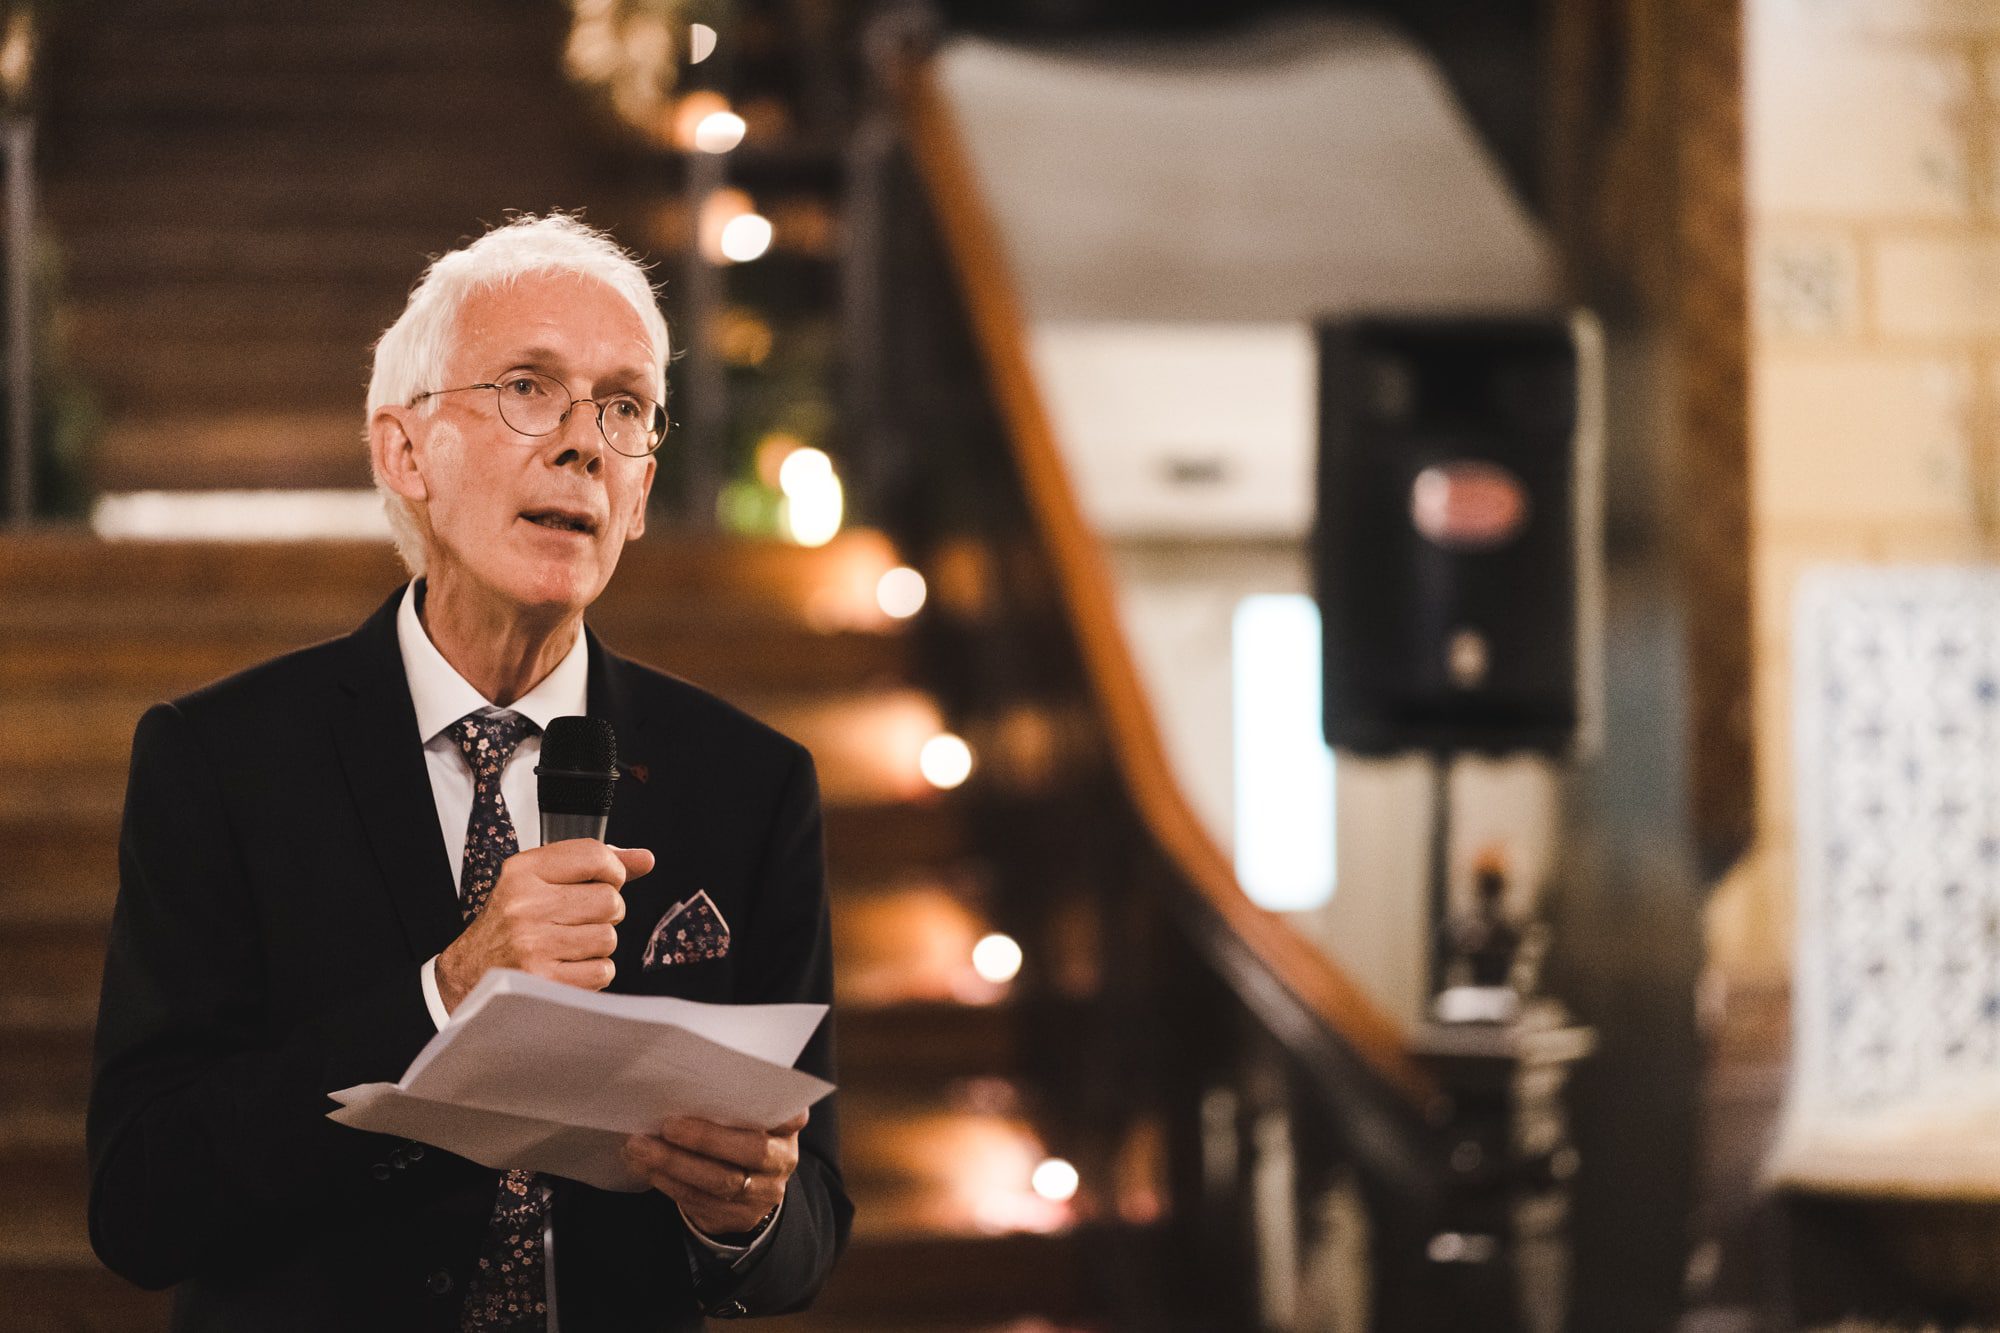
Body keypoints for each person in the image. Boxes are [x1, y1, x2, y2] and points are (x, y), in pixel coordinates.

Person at [86, 214, 851, 1331]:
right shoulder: (222, 761)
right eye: (530, 389)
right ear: (404, 452)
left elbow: (806, 1240)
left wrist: (741, 1215)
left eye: (624, 407)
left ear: (638, 494)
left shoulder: (752, 782)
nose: (584, 442)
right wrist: (445, 994)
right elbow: (143, 1203)